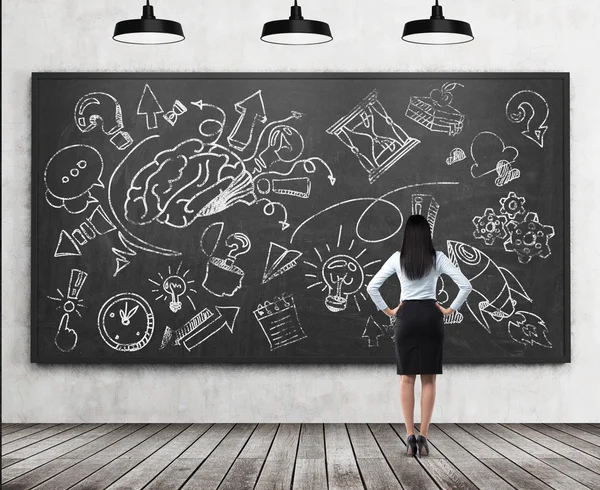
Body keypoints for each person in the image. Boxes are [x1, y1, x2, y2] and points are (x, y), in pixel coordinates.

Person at [366, 215, 472, 457]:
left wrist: (389, 311)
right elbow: (466, 286)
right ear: (427, 235)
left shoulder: (397, 259)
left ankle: (409, 436)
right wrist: (449, 309)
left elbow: (372, 287)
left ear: (406, 235)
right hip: (430, 316)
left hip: (406, 317)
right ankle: (424, 436)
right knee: (429, 380)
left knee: (406, 379)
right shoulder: (438, 258)